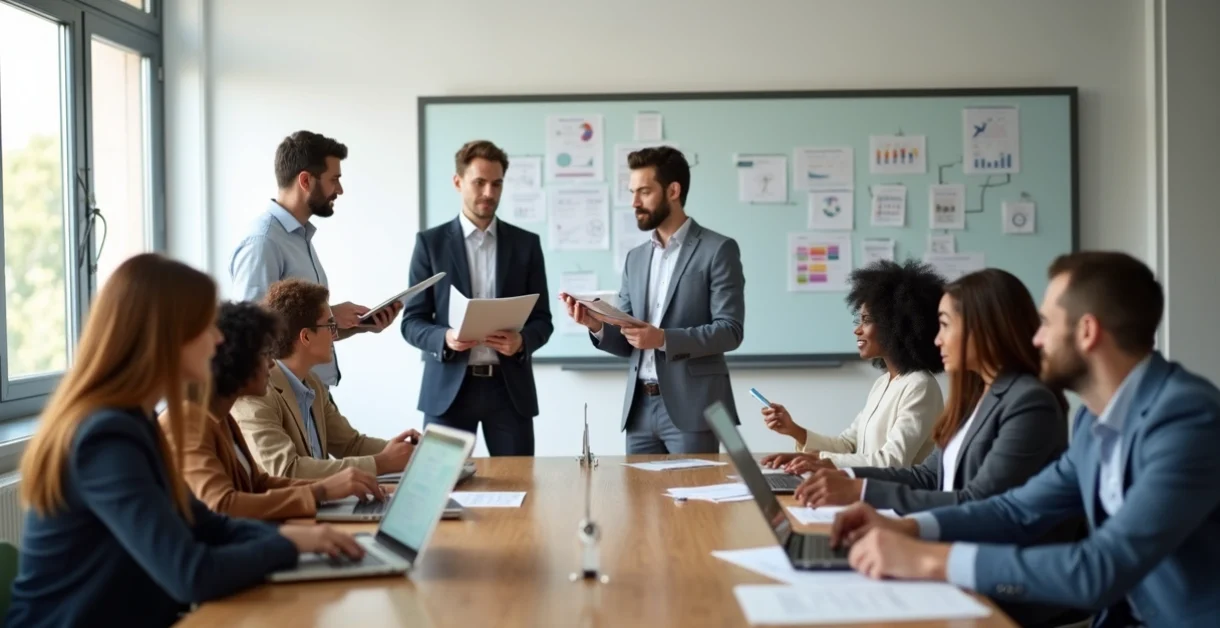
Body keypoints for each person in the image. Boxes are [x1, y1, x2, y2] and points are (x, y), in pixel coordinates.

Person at [832, 252, 1220, 626]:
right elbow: (1014, 510)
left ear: (1087, 332)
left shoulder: (1186, 418)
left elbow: (1099, 567)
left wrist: (929, 559)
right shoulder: (1092, 420)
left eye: (1046, 324)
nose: (1035, 340)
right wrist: (912, 529)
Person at [5, 254, 362, 628]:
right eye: (206, 325)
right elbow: (191, 573)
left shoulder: (134, 422)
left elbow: (207, 524)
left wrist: (306, 535)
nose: (220, 338)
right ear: (167, 336)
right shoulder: (105, 438)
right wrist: (291, 544)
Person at [791, 269, 1070, 516]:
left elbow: (981, 503)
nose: (937, 339)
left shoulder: (1028, 402)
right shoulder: (974, 397)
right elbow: (927, 475)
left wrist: (862, 492)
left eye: (945, 325)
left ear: (983, 328)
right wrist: (847, 477)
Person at [560, 146, 745, 454]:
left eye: (644, 192)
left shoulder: (718, 250)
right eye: (633, 192)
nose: (634, 202)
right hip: (639, 411)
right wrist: (596, 325)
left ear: (673, 190)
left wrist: (662, 338)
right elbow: (630, 339)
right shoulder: (635, 259)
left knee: (695, 500)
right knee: (640, 503)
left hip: (694, 408)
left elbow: (730, 330)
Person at [162, 301, 385, 521]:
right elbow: (223, 504)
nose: (271, 364)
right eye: (265, 354)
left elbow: (258, 484)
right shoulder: (186, 421)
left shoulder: (223, 419)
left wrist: (330, 487)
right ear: (236, 359)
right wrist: (321, 492)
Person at [401, 140, 553, 456]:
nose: (488, 192)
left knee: (520, 487)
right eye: (479, 182)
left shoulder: (526, 245)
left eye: (496, 184)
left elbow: (543, 320)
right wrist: (445, 337)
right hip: (448, 390)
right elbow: (412, 322)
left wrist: (522, 342)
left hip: (509, 391)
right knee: (441, 489)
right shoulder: (430, 244)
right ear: (458, 182)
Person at [229, 130, 400, 389]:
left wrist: (358, 326)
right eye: (334, 179)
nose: (339, 190)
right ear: (306, 180)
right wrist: (331, 314)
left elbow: (301, 334)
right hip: (285, 400)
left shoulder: (300, 237)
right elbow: (253, 334)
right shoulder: (263, 242)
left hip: (313, 395)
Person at [759, 259, 945, 473]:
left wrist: (822, 461)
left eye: (866, 320)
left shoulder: (919, 386)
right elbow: (847, 445)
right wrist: (795, 433)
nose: (857, 330)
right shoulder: (883, 382)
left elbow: (893, 460)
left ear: (895, 326)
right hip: (862, 489)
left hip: (891, 499)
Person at [233, 278, 419, 478]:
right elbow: (287, 470)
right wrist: (380, 463)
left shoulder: (312, 383)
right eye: (330, 325)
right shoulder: (257, 394)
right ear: (306, 337)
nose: (335, 335)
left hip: (318, 502)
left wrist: (412, 453)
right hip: (284, 508)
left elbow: (350, 445)